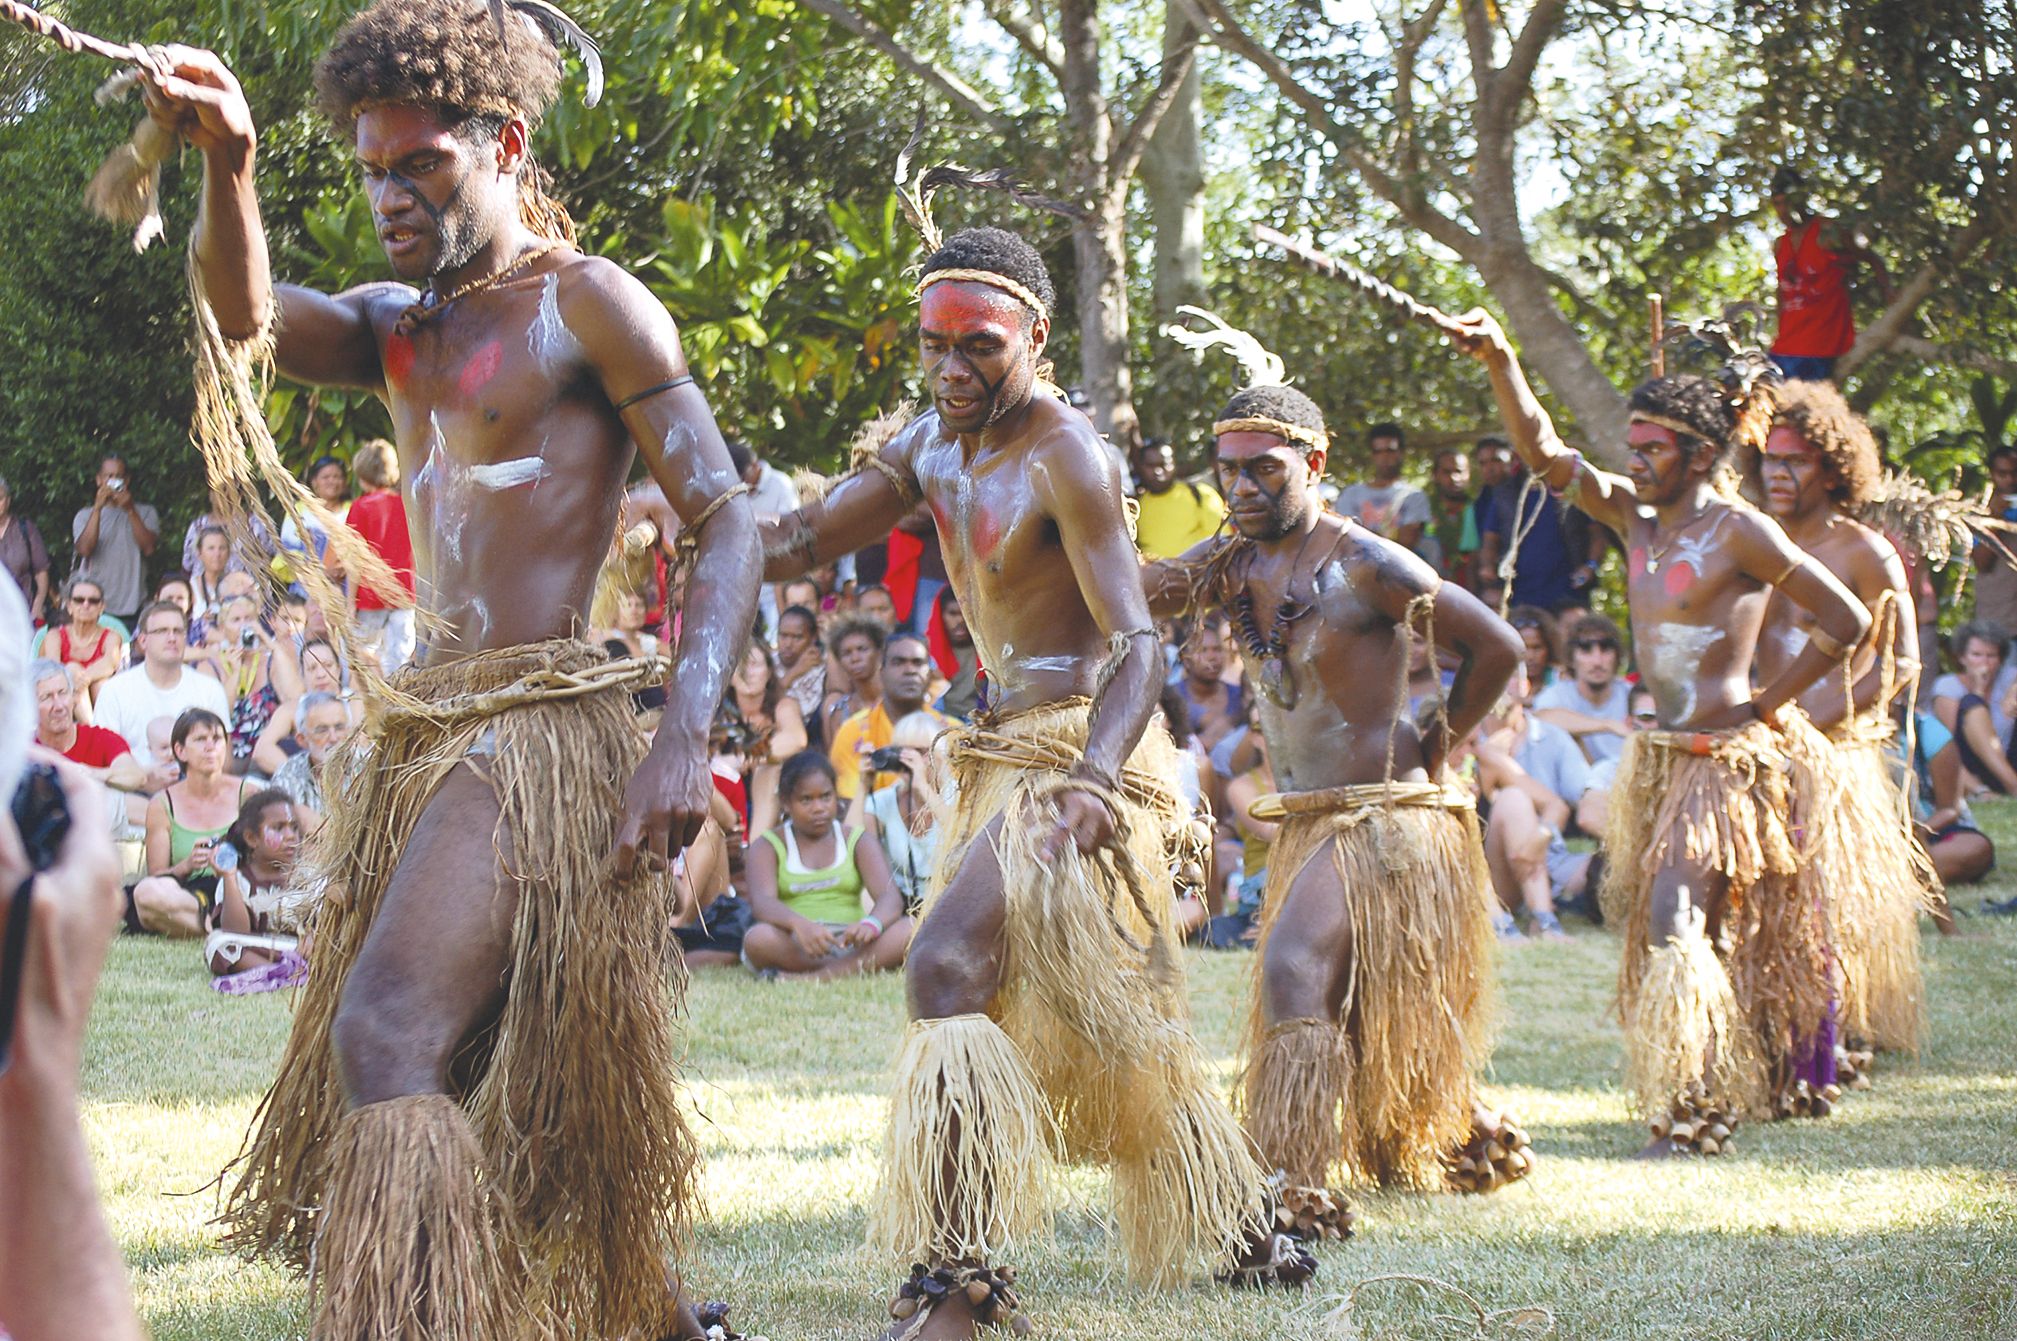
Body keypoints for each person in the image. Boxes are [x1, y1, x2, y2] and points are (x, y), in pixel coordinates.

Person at [141, 6, 760, 1335]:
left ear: (504, 142)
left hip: (538, 734)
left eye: (418, 163)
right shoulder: (395, 327)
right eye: (369, 169)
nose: (388, 196)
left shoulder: (587, 305)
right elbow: (240, 314)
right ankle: (641, 1312)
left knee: (388, 1038)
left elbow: (726, 519)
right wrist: (228, 164)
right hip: (432, 731)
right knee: (490, 1062)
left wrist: (683, 735)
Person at [763, 224, 1267, 1327]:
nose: (952, 369)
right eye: (934, 346)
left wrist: (1092, 779)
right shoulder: (929, 443)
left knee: (945, 968)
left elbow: (1136, 643)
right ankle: (1237, 1218)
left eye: (980, 346)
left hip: (1082, 752)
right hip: (999, 755)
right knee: (1103, 1013)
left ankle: (960, 1280)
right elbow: (802, 538)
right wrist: (696, 521)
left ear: (1035, 336)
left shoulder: (1067, 454)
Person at [1444, 305, 1871, 1154]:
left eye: (1651, 450)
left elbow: (1845, 616)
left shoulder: (1739, 532)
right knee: (1677, 923)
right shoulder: (1634, 518)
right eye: (1631, 449)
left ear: (1701, 454)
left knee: (1681, 920)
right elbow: (1542, 455)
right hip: (1661, 760)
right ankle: (1717, 1085)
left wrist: (1768, 702)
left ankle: (1693, 1107)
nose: (1633, 463)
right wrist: (1500, 358)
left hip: (1723, 764)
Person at [1142, 361, 1525, 1208]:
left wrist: (1437, 739)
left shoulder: (1369, 565)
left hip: (1379, 817)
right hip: (1310, 820)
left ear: (1314, 463)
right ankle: (1453, 1128)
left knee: (1290, 966)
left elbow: (1498, 646)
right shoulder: (1233, 562)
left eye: (1262, 468)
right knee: (1349, 1000)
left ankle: (1289, 1180)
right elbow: (1141, 594)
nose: (1239, 485)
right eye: (1228, 468)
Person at [1749, 378, 1938, 1058]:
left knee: (1831, 890)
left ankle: (1847, 1016)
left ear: (1830, 467)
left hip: (1834, 749)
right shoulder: (1748, 536)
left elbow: (1899, 663)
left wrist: (1806, 724)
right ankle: (1770, 1007)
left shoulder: (1863, 550)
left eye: (1793, 460)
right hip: (1756, 738)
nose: (1776, 472)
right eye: (1769, 458)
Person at [741, 751, 913, 979]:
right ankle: (850, 970)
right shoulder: (768, 845)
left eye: (825, 797)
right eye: (806, 800)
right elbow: (763, 903)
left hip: (851, 942)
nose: (819, 808)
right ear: (785, 803)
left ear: (836, 797)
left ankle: (814, 977)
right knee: (758, 939)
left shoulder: (857, 840)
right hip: (797, 942)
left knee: (910, 928)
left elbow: (890, 898)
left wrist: (871, 924)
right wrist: (800, 925)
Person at [1470, 675, 1595, 942]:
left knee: (1514, 797)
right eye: (1465, 742)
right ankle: (1509, 922)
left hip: (1513, 868)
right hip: (1462, 879)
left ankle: (1544, 920)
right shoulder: (1444, 753)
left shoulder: (1489, 756)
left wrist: (1541, 835)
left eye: (1472, 743)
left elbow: (1555, 805)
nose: (1469, 748)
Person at [129, 708, 258, 938]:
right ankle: (221, 927)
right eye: (200, 739)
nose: (211, 747)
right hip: (192, 894)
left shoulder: (248, 794)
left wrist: (231, 865)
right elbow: (158, 875)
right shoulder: (162, 804)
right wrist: (187, 865)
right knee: (146, 893)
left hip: (241, 890)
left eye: (217, 739)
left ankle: (212, 925)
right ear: (180, 750)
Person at [1767, 165, 1892, 383]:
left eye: (1787, 201)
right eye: (1777, 204)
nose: (1783, 210)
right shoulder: (1781, 245)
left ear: (1800, 199)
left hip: (1821, 347)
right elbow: (1782, 290)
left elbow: (1872, 259)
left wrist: (1888, 292)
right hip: (1786, 345)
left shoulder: (1828, 232)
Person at [30, 660, 178, 829]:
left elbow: (135, 776)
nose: (59, 706)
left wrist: (92, 773)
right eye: (46, 697)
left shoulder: (99, 738)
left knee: (121, 802)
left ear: (74, 698)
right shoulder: (24, 751)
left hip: (104, 838)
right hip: (46, 840)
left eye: (63, 693)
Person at [90, 602, 230, 772]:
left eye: (178, 631)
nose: (172, 638)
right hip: (132, 791)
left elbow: (224, 761)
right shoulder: (114, 691)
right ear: (142, 640)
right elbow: (102, 759)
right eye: (162, 631)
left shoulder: (210, 689)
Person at [828, 631, 950, 803]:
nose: (909, 671)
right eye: (898, 662)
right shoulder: (852, 731)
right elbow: (848, 809)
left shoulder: (950, 732)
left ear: (929, 674)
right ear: (881, 672)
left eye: (918, 663)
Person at [193, 593, 305, 770]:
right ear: (222, 628)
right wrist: (235, 673)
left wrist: (270, 643)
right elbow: (215, 719)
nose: (243, 626)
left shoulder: (270, 661)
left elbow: (296, 699)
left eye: (249, 619)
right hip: (224, 758)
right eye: (236, 620)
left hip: (266, 755)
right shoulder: (209, 667)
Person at [206, 786, 307, 977]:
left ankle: (293, 971)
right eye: (278, 828)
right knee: (220, 944)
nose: (291, 836)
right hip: (263, 950)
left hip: (304, 948)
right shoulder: (237, 880)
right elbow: (236, 932)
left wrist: (313, 937)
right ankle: (281, 972)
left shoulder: (307, 877)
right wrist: (228, 877)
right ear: (252, 838)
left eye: (294, 827)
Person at [856, 709, 949, 914]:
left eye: (920, 752)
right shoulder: (884, 801)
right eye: (903, 752)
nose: (910, 760)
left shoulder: (958, 794)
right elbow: (849, 846)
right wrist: (862, 785)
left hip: (950, 903)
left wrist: (923, 788)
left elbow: (962, 836)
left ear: (939, 755)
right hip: (902, 907)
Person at [345, 438, 417, 673]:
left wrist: (349, 603)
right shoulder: (406, 504)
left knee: (362, 658)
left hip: (370, 596)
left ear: (362, 476)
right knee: (399, 660)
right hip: (405, 594)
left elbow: (354, 560)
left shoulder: (360, 507)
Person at [728, 639, 809, 835]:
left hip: (765, 799)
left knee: (768, 768)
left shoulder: (783, 705)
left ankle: (756, 849)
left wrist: (748, 756)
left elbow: (797, 738)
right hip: (723, 800)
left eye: (754, 664)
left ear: (769, 672)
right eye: (741, 664)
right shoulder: (716, 712)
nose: (748, 671)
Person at [1533, 612, 1632, 769]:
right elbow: (1541, 718)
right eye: (1586, 649)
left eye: (1605, 649)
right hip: (1580, 781)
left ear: (1617, 656)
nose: (1597, 661)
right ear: (1572, 658)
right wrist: (1607, 725)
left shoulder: (1630, 694)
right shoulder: (1559, 694)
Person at [249, 635, 358, 776]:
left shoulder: (357, 702)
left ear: (338, 670)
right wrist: (300, 776)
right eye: (312, 668)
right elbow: (262, 750)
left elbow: (361, 746)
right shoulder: (290, 710)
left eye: (327, 665)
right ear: (303, 675)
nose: (320, 674)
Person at [70, 454, 159, 622]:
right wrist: (97, 508)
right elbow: (85, 549)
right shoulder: (84, 516)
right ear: (99, 480)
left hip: (133, 607)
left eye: (119, 476)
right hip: (94, 605)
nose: (113, 481)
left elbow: (148, 548)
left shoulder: (146, 512)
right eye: (109, 476)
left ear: (127, 481)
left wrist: (130, 509)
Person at [1931, 621, 2017, 794]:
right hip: (1974, 770)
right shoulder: (1948, 686)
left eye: (1991, 656)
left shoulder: (2009, 678)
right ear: (1962, 658)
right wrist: (1979, 690)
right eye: (1976, 655)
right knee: (1971, 702)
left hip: (2009, 758)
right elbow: (1947, 747)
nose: (1984, 662)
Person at [1334, 421, 1429, 554]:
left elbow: (1408, 540)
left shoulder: (1414, 496)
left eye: (1390, 451)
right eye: (1378, 451)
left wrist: (1364, 536)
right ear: (1372, 455)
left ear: (1401, 453)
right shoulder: (1351, 494)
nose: (1385, 457)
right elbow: (1344, 538)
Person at [268, 690, 357, 831]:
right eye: (322, 730)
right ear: (302, 740)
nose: (333, 738)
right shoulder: (288, 774)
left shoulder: (367, 768)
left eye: (339, 727)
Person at [41, 577, 126, 716]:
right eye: (79, 600)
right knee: (72, 668)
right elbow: (53, 673)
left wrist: (81, 679)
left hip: (96, 696)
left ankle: (101, 729)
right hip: (59, 699)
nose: (86, 605)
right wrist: (73, 675)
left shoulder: (112, 637)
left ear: (101, 607)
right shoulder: (54, 636)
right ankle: (93, 727)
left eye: (93, 601)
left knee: (102, 683)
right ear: (69, 606)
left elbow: (110, 663)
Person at [1132, 436, 1228, 559]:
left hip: (1197, 575)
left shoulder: (1201, 494)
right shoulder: (1135, 506)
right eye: (1150, 466)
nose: (1158, 471)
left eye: (1163, 464)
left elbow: (1222, 542)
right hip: (1152, 576)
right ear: (1140, 467)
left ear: (1174, 464)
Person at [1169, 614, 1244, 751]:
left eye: (1217, 649)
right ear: (1185, 659)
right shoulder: (1171, 699)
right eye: (1202, 651)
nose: (1212, 657)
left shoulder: (1240, 696)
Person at [279, 453, 352, 587]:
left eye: (337, 477)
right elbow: (287, 549)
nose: (332, 482)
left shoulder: (352, 510)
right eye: (326, 477)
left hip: (344, 587)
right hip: (306, 587)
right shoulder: (299, 510)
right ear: (314, 482)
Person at [820, 614, 887, 751]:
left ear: (880, 652)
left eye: (862, 649)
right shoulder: (839, 711)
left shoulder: (898, 702)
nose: (855, 658)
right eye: (846, 653)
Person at [1970, 444, 2017, 635]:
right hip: (1999, 620)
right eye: (2003, 473)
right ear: (1992, 474)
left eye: (2015, 473)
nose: (2010, 479)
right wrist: (1995, 517)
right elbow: (1981, 563)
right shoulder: (1980, 512)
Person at [774, 603, 828, 745]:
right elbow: (765, 705)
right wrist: (794, 672)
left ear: (813, 638)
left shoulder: (823, 668)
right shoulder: (767, 662)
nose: (788, 644)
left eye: (797, 637)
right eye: (783, 636)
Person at [0, 474, 49, 624]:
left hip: (25, 614)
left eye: (0, 498)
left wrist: (38, 604)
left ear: (8, 500)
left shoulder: (25, 528)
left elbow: (41, 571)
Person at [928, 587, 982, 719]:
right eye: (953, 614)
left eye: (965, 613)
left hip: (980, 724)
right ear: (941, 615)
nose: (960, 620)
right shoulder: (925, 655)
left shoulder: (987, 653)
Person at [1424, 447, 1475, 584]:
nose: (1454, 478)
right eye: (1447, 472)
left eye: (1459, 471)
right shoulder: (1424, 508)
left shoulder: (1478, 509)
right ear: (1435, 475)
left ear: (1468, 474)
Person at [1506, 605, 1558, 698]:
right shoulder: (1501, 682)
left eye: (1537, 648)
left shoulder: (1559, 679)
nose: (1530, 656)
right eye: (1523, 648)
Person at [190, 523, 235, 630]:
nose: (217, 554)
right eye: (211, 548)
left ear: (229, 552)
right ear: (199, 553)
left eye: (222, 548)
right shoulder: (190, 586)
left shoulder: (238, 584)